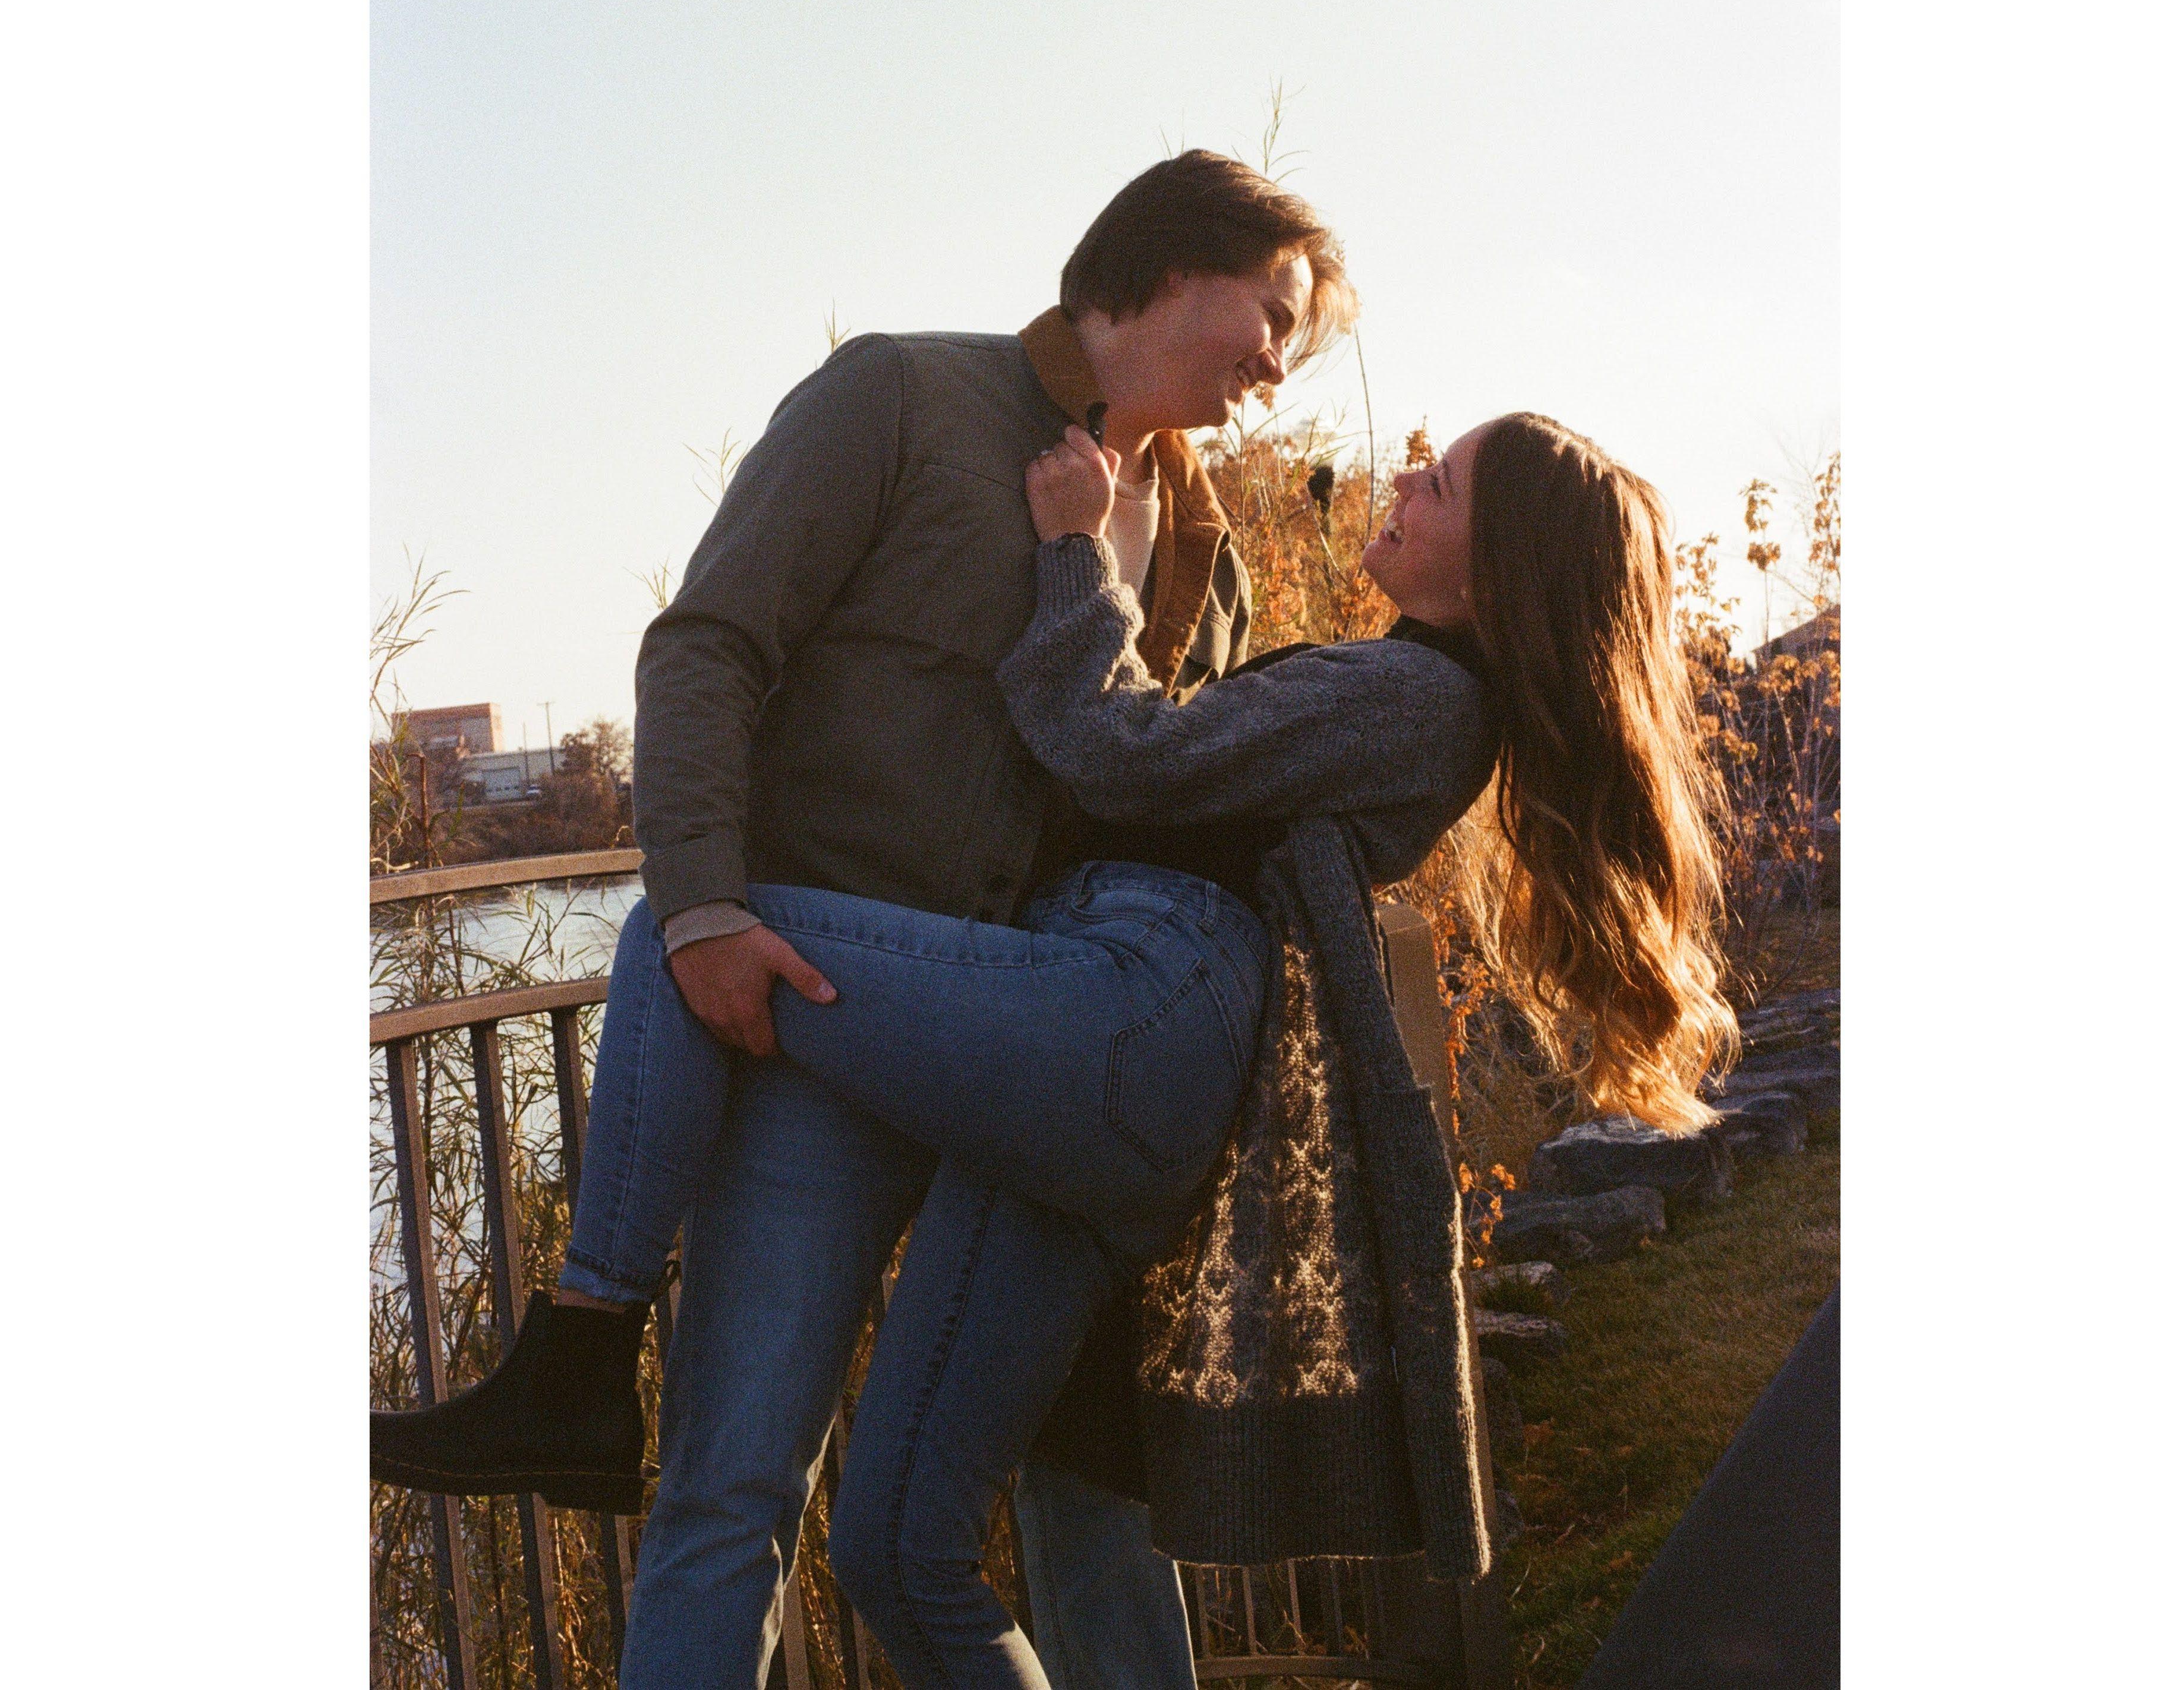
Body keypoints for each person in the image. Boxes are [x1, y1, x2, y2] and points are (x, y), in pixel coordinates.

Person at [376, 405, 1739, 1690]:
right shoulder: (1414, 691)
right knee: (896, 1549)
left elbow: (1125, 755)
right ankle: (576, 1376)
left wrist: (1076, 550)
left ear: (1494, 573)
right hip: (1099, 1070)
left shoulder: (1414, 696)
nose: (1404, 482)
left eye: (1437, 486)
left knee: (686, 931)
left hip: (1124, 1014)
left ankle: (581, 1354)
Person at [376, 150, 1355, 1690]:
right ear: (1172, 265)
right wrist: (702, 909)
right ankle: (580, 1379)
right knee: (733, 1488)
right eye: (1274, 315)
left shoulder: (1203, 545)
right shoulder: (899, 396)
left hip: (1032, 1071)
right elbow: (705, 648)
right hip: (808, 1048)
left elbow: (1161, 790)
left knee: (1083, 1487)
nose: (1281, 364)